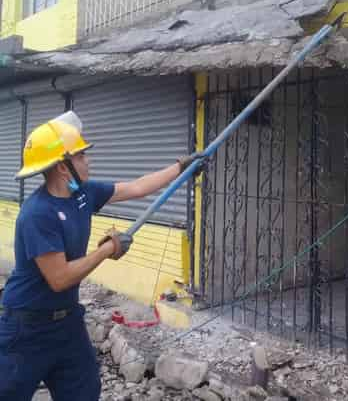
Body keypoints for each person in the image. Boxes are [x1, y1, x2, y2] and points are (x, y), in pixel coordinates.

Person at [0, 111, 202, 401]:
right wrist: (108, 249)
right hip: (26, 328)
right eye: (81, 156)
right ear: (62, 167)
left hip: (67, 323)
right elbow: (60, 278)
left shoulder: (83, 194)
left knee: (84, 392)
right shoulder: (37, 214)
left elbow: (136, 187)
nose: (88, 160)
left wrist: (182, 167)